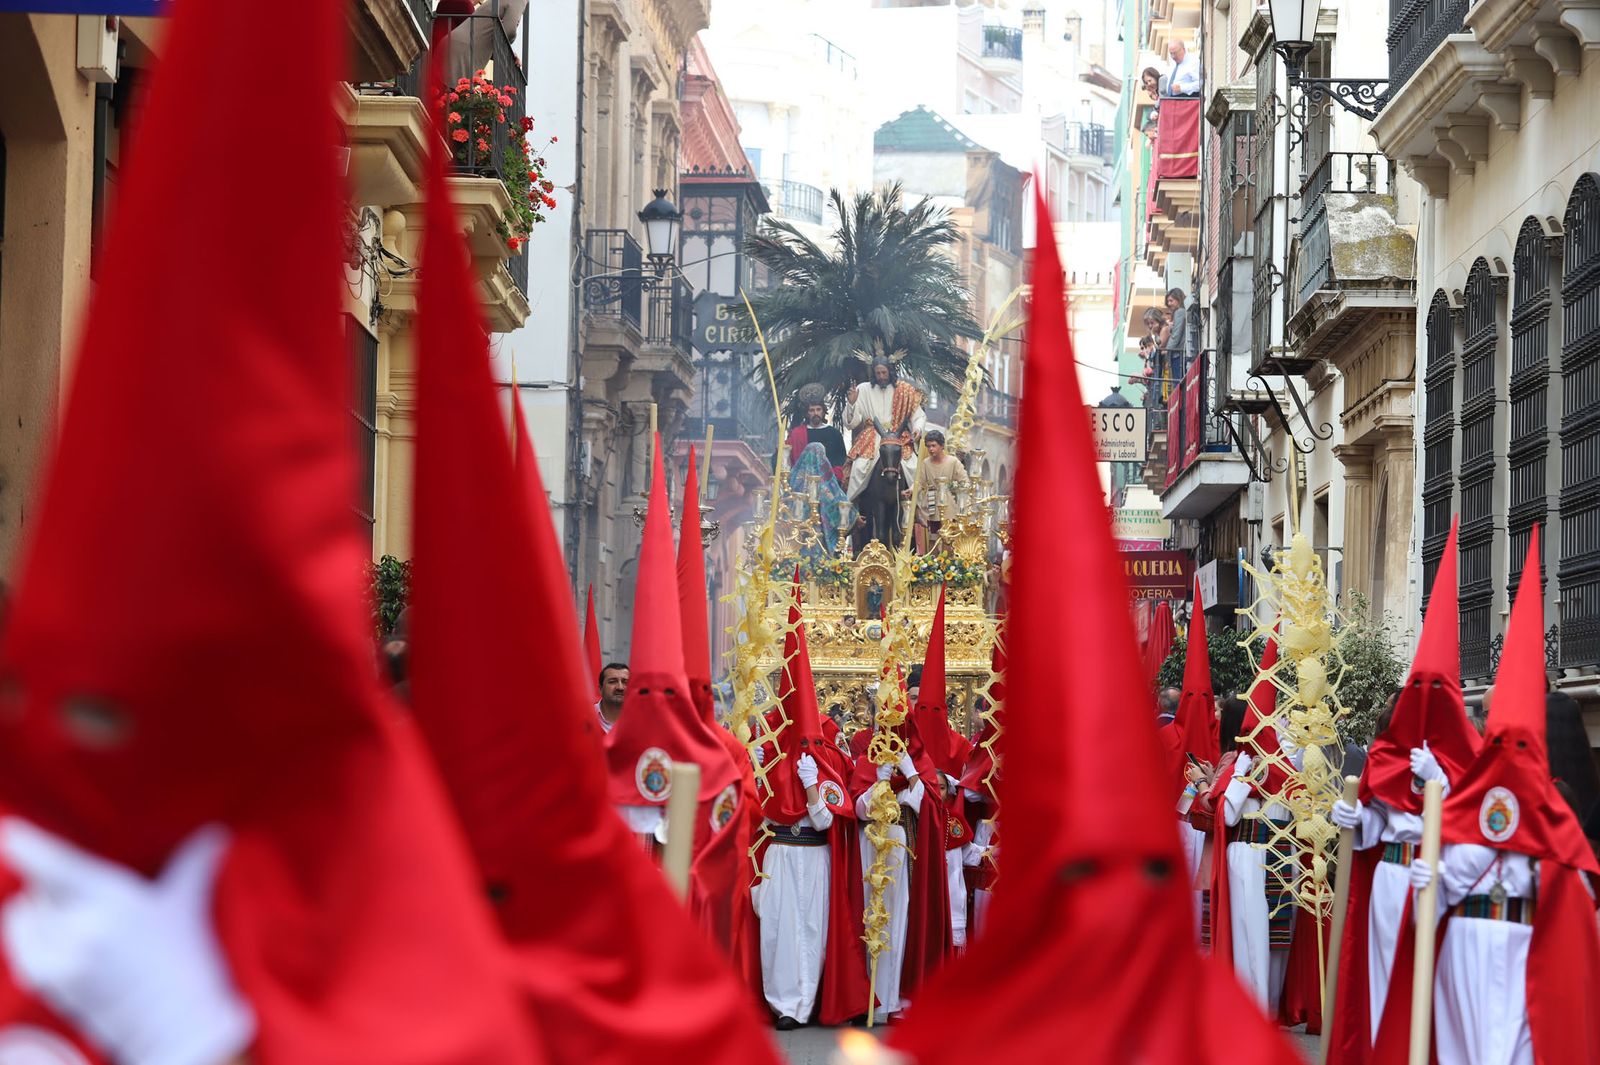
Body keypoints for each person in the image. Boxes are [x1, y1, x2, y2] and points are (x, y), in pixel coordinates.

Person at [1402, 530, 1600, 1065]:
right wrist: (1433, 882)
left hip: (1521, 956)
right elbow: (1433, 908)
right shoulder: (1463, 805)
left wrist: (1540, 865)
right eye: (1498, 742)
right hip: (1461, 959)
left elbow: (1574, 900)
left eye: (1520, 745)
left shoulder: (1555, 815)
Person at [1326, 521, 1479, 1061]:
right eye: (1420, 688)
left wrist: (1446, 782)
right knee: (1381, 978)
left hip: (1439, 882)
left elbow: (1479, 826)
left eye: (1438, 689)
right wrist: (1359, 822)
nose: (1428, 698)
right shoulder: (1388, 754)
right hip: (1391, 878)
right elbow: (1380, 823)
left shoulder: (1470, 761)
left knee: (1433, 989)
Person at [754, 590, 866, 1030]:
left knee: (813, 929)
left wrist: (812, 786)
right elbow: (762, 817)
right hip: (781, 855)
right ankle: (785, 1006)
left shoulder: (827, 760)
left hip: (816, 855)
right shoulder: (768, 756)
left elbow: (826, 819)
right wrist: (755, 773)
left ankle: (811, 1001)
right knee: (778, 931)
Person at [844, 355, 926, 503]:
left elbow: (918, 415)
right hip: (872, 436)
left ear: (890, 371)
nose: (881, 376)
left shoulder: (905, 390)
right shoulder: (863, 389)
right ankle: (852, 506)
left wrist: (917, 428)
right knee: (859, 468)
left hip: (898, 436)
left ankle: (915, 508)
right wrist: (852, 404)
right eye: (878, 373)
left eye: (884, 373)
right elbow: (852, 423)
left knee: (913, 467)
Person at [789, 443, 855, 555]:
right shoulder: (825, 483)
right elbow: (835, 499)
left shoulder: (794, 479)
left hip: (796, 531)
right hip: (819, 533)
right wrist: (853, 516)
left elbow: (787, 500)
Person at [911, 430, 969, 554]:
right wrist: (911, 490)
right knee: (933, 536)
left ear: (942, 446)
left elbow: (964, 481)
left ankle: (947, 562)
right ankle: (933, 562)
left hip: (948, 503)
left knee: (948, 536)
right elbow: (919, 482)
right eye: (928, 446)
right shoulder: (926, 463)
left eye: (933, 445)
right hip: (932, 502)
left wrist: (953, 488)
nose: (931, 449)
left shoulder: (953, 462)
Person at [786, 385, 849, 484]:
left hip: (828, 481)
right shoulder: (797, 433)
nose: (815, 413)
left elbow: (841, 460)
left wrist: (831, 475)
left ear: (823, 411)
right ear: (807, 413)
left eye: (818, 409)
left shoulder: (834, 434)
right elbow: (786, 455)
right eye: (812, 410)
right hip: (803, 481)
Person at [596, 661, 627, 734]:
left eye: (625, 682)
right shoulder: (585, 717)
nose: (620, 687)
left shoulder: (642, 720)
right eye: (612, 682)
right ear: (601, 689)